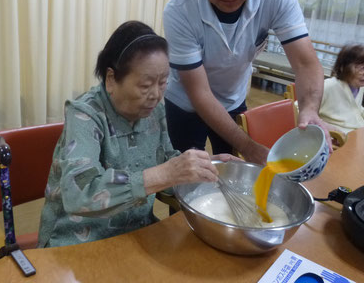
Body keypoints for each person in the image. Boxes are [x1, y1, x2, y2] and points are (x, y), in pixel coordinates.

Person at [38, 21, 237, 248]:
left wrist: (206, 166)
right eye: (145, 85)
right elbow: (78, 195)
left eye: (163, 83)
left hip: (136, 232)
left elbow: (166, 161)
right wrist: (164, 174)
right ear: (111, 79)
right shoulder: (86, 114)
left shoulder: (154, 111)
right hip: (77, 241)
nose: (155, 95)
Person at [163, 0, 330, 165]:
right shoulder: (180, 11)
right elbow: (200, 94)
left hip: (234, 98)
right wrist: (248, 146)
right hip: (186, 103)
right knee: (189, 174)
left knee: (236, 172)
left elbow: (306, 63)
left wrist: (309, 109)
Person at [319, 44, 364, 134]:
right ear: (343, 67)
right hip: (338, 141)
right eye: (362, 68)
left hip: (358, 135)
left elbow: (353, 109)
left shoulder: (359, 86)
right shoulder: (328, 86)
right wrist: (326, 127)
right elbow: (301, 110)